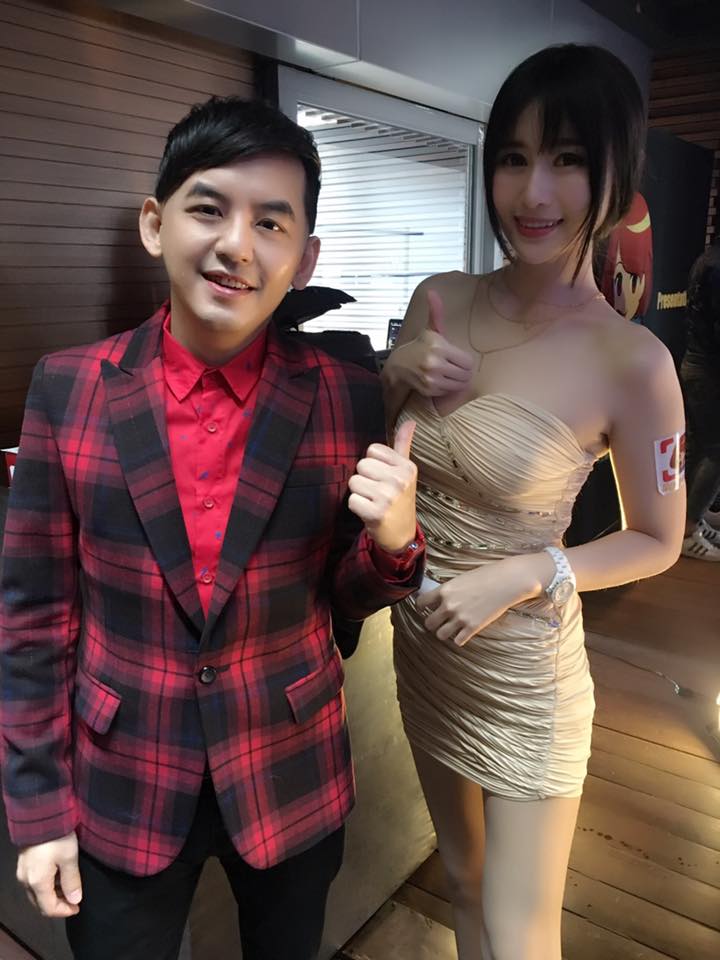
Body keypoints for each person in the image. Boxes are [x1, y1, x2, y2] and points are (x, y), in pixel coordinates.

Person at [0, 97, 424, 960]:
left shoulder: (345, 394)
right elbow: (33, 618)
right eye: (208, 209)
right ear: (155, 224)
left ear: (305, 259)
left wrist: (393, 545)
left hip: (289, 770)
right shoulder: (68, 388)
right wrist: (38, 813)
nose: (237, 244)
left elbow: (339, 597)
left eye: (271, 222)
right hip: (121, 781)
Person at [381, 45, 685, 960]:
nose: (533, 192)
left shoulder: (635, 363)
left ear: (615, 173)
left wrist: (528, 571)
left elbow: (658, 539)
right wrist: (391, 372)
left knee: (520, 935)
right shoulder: (437, 300)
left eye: (567, 159)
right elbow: (389, 461)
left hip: (525, 675)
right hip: (425, 643)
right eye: (513, 158)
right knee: (462, 883)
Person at [679, 237, 720, 560]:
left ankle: (687, 523)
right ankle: (687, 529)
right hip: (709, 372)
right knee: (716, 453)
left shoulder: (709, 258)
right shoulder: (716, 265)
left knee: (699, 449)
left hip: (699, 367)